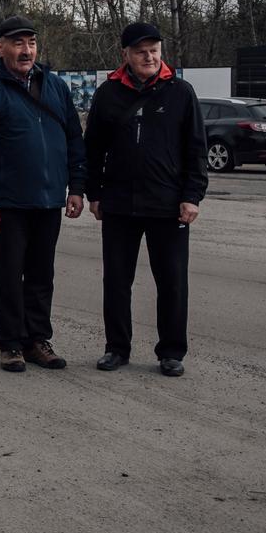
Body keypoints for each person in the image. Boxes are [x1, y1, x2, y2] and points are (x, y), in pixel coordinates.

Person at [85, 22, 208, 377]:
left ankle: (171, 351)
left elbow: (196, 152)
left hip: (168, 205)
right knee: (117, 281)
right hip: (119, 204)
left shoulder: (181, 93)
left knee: (172, 281)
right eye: (141, 51)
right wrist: (94, 193)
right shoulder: (108, 94)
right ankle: (116, 348)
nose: (149, 56)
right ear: (125, 54)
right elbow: (92, 149)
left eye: (154, 50)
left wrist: (192, 197)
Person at [0, 16, 86, 373]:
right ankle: (11, 344)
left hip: (49, 201)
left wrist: (76, 187)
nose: (26, 50)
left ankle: (37, 340)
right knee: (7, 274)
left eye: (31, 43)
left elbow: (74, 140)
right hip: (7, 204)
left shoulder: (56, 87)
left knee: (40, 275)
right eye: (17, 43)